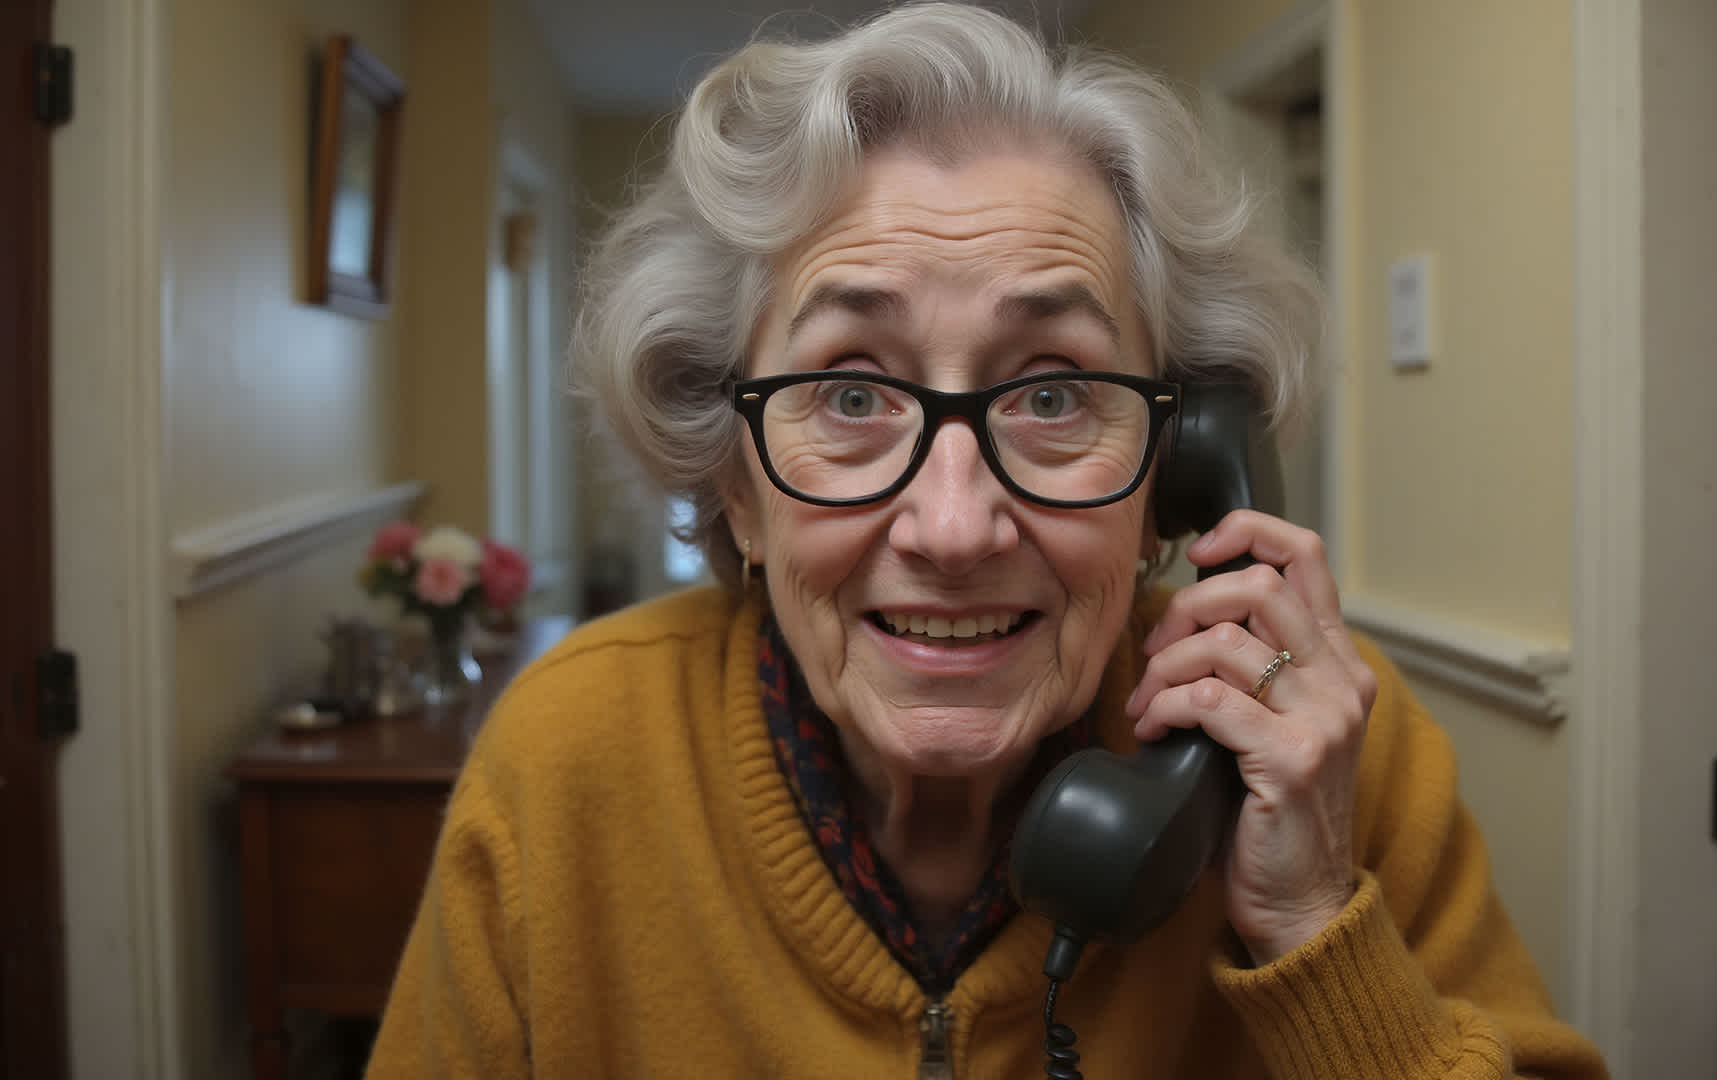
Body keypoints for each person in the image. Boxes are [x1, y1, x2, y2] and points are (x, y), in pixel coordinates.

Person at [367, 5, 1608, 1076]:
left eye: (1053, 393)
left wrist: (1314, 929)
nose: (955, 526)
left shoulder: (1337, 755)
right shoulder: (565, 767)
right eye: (853, 395)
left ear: (1176, 474)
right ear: (732, 479)